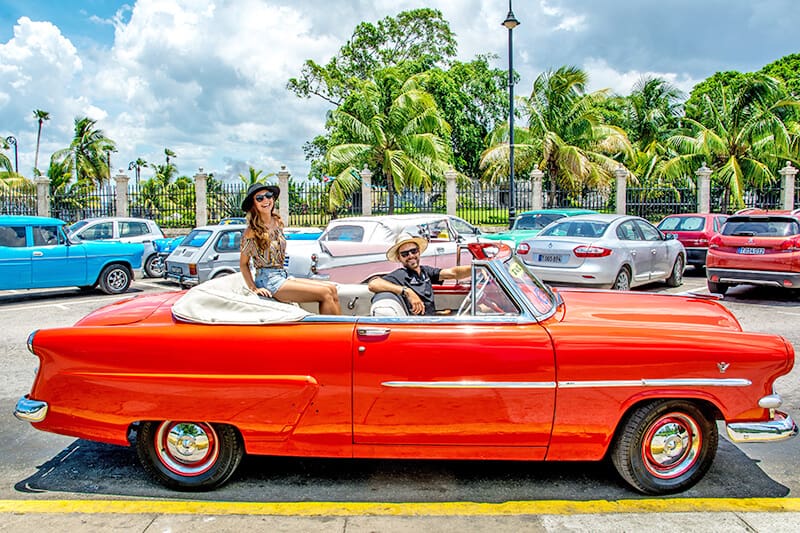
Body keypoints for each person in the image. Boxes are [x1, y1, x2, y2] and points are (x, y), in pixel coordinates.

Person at [239, 183, 341, 315]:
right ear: (254, 204)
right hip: (268, 280)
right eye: (259, 198)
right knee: (325, 294)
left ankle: (341, 333)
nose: (266, 200)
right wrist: (253, 288)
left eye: (268, 196)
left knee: (332, 289)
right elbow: (243, 264)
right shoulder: (251, 231)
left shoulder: (277, 223)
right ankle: (330, 335)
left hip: (282, 275)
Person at [367, 232, 471, 315]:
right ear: (399, 258)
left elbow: (453, 273)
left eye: (414, 251)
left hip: (431, 319)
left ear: (419, 252)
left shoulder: (425, 271)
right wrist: (407, 291)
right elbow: (373, 284)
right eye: (405, 254)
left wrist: (477, 268)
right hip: (420, 325)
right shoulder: (401, 275)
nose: (411, 255)